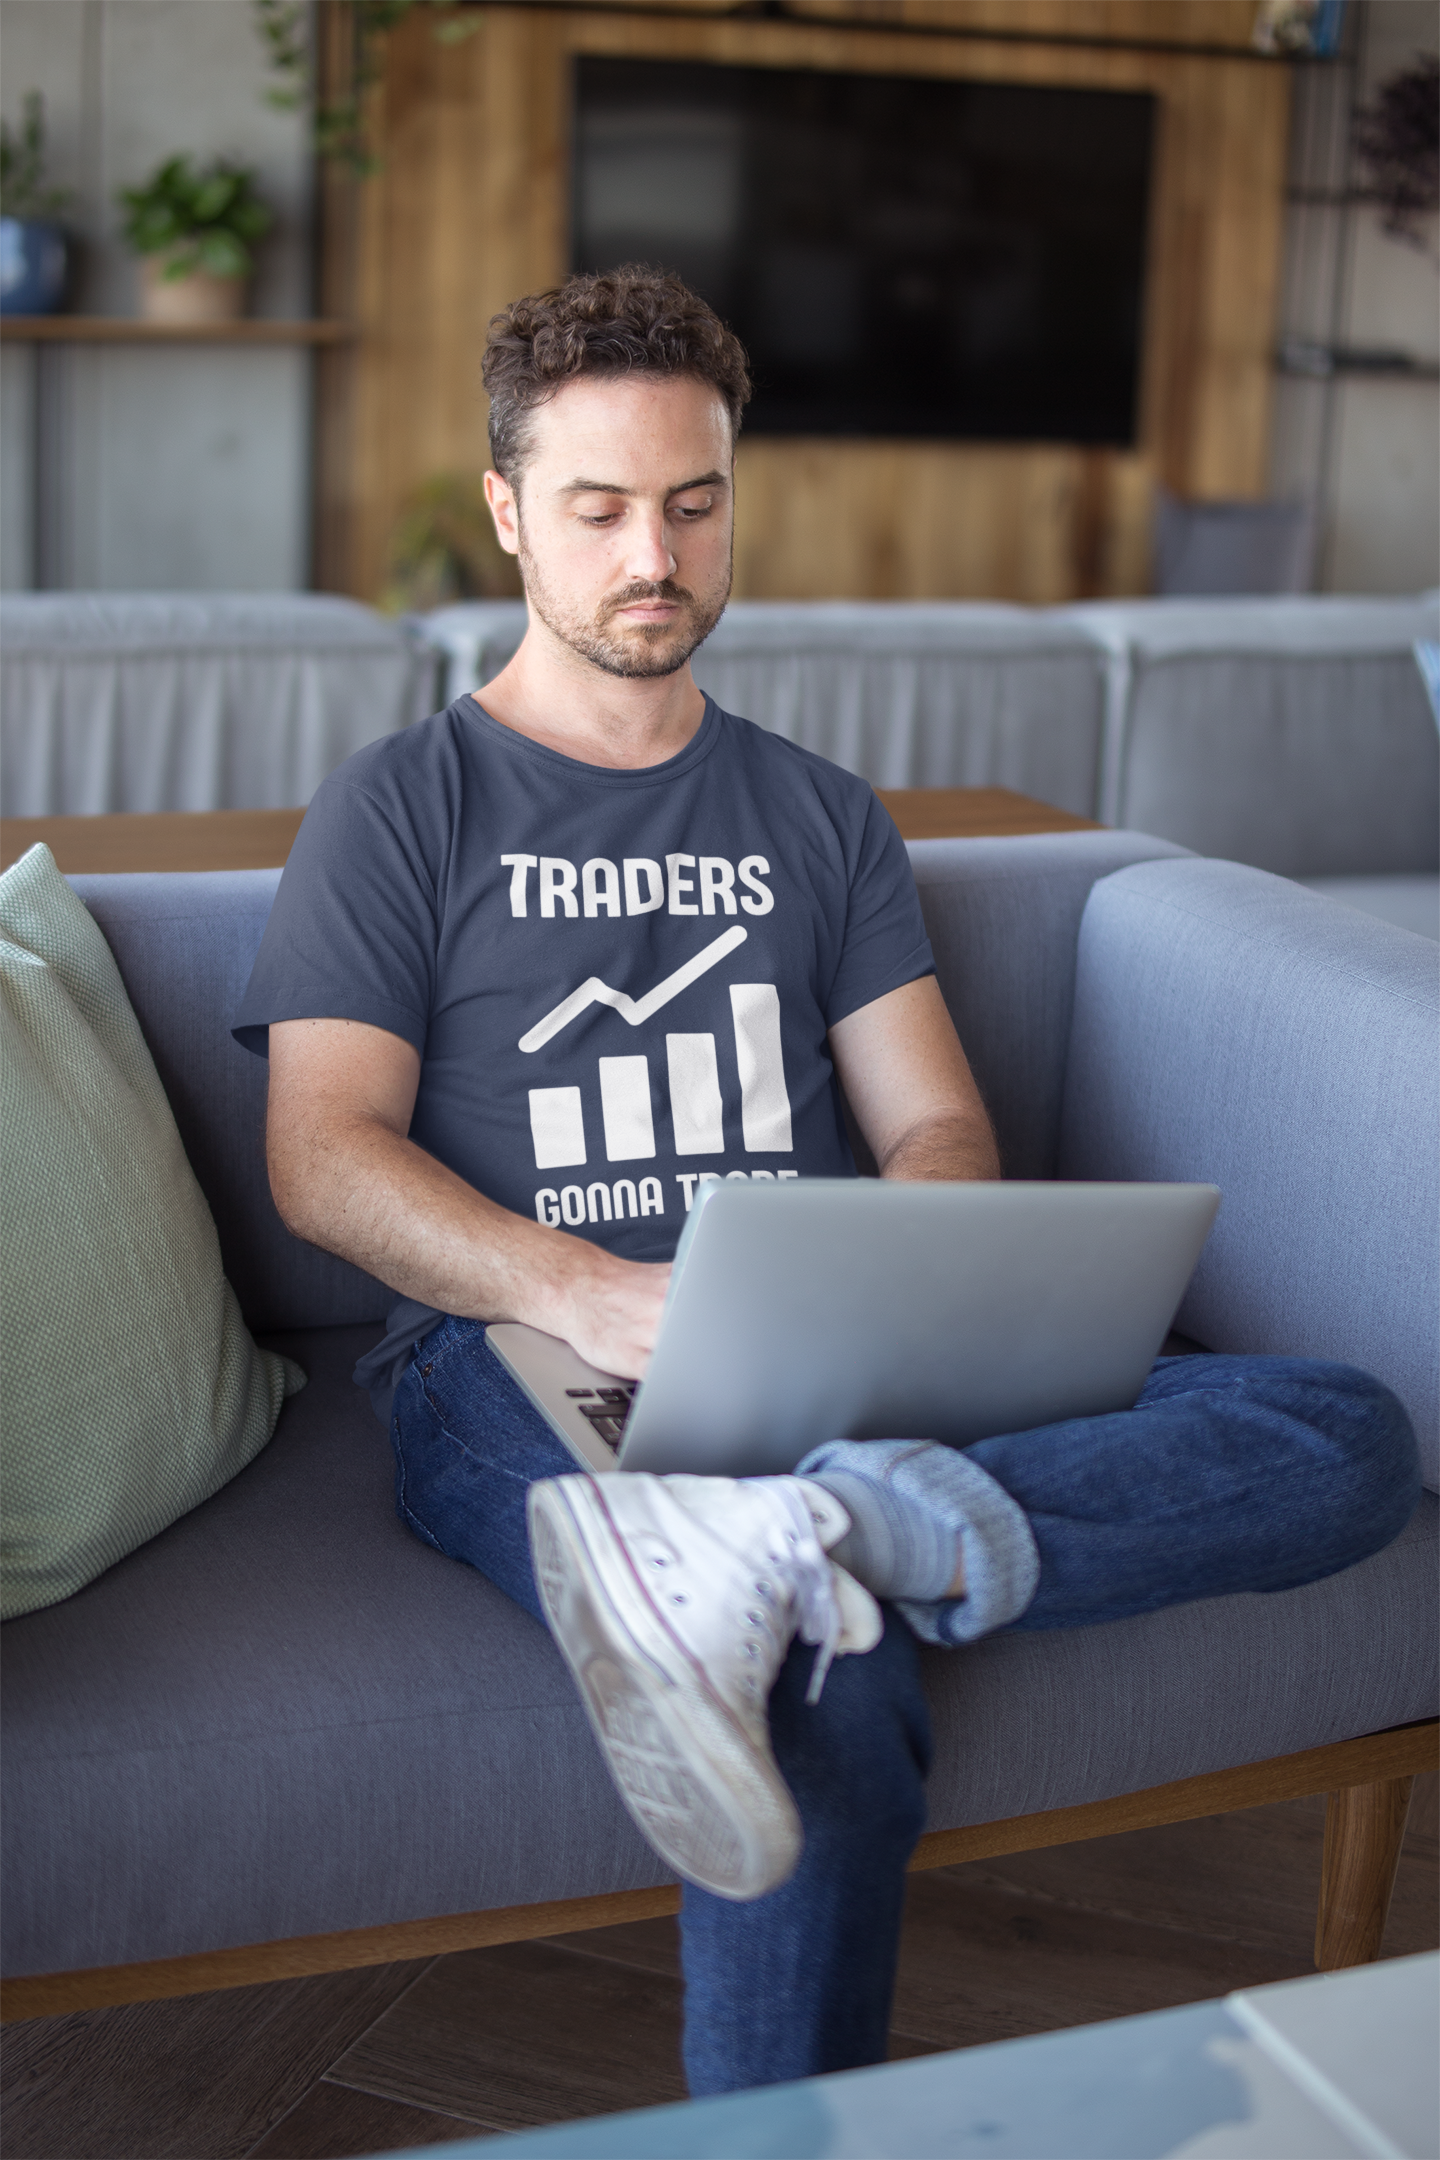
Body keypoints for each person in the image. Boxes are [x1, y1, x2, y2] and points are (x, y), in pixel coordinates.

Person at [235, 265, 1420, 2096]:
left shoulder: (816, 812)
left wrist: (921, 1273)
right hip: (524, 1356)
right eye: (600, 508)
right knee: (810, 1679)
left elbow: (933, 1126)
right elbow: (321, 1158)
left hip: (836, 1361)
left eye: (695, 503)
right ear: (506, 512)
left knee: (1349, 1432)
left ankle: (844, 1522)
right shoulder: (404, 805)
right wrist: (588, 1291)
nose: (656, 554)